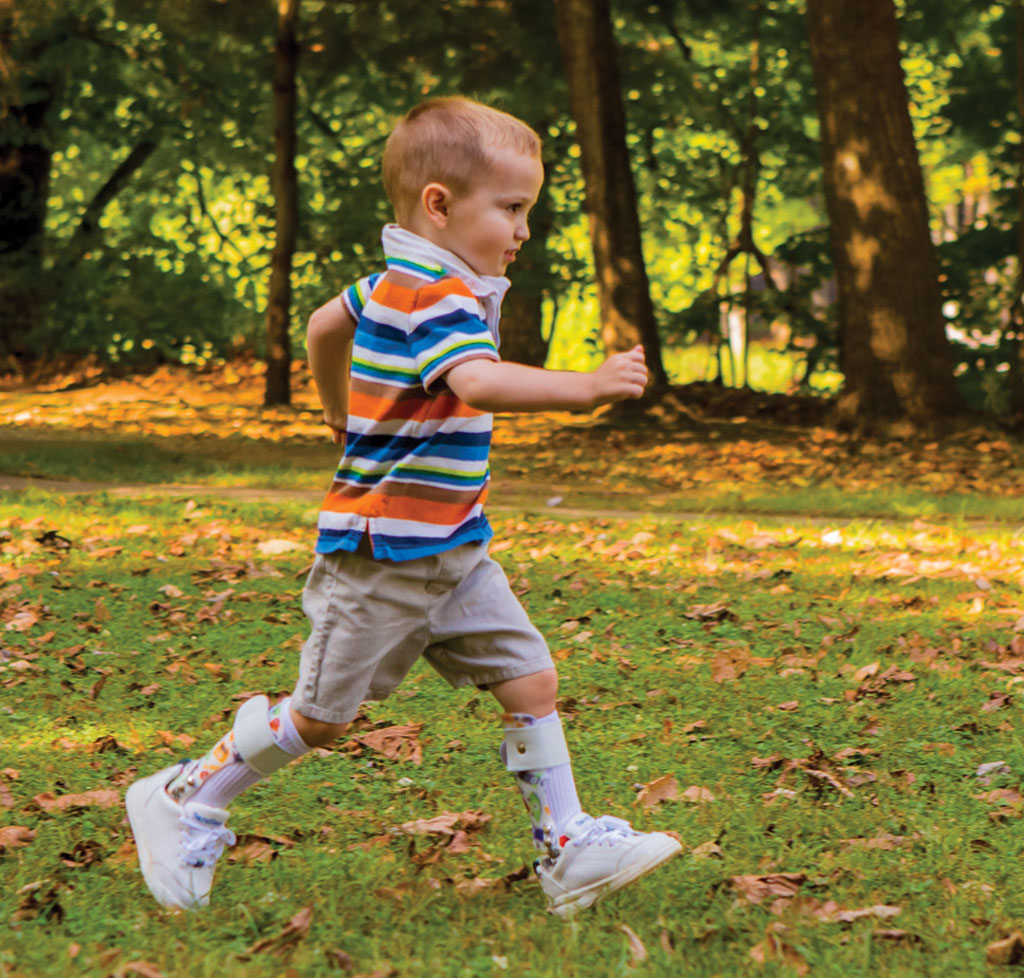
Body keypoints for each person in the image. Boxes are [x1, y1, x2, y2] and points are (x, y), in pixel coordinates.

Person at [126, 96, 680, 917]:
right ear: (440, 204)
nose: (524, 229)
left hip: (452, 546)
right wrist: (586, 388)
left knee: (530, 681)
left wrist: (334, 412)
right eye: (513, 208)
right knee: (319, 719)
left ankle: (565, 846)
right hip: (382, 554)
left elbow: (323, 325)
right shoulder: (436, 296)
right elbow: (478, 381)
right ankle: (184, 796)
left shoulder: (405, 278)